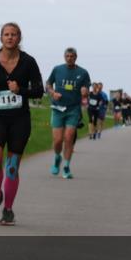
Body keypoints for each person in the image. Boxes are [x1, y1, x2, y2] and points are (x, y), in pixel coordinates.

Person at [0, 22, 44, 226]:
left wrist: (20, 90)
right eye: (6, 34)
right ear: (1, 37)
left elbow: (39, 91)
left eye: (14, 34)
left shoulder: (28, 62)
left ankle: (8, 209)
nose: (10, 37)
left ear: (19, 38)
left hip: (20, 120)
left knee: (13, 168)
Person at [46, 47, 91, 179]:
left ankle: (66, 166)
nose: (69, 58)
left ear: (76, 57)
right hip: (58, 108)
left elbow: (87, 89)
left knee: (69, 137)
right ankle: (57, 158)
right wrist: (53, 92)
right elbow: (48, 84)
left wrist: (85, 91)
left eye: (72, 56)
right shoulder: (57, 69)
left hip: (73, 109)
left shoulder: (83, 72)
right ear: (64, 57)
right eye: (67, 56)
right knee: (58, 140)